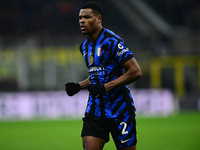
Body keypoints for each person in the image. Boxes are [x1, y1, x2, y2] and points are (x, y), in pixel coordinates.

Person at [65, 1, 142, 150]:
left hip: (120, 109)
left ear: (98, 19)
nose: (82, 21)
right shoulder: (84, 46)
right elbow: (98, 74)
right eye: (80, 18)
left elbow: (135, 71)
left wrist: (106, 87)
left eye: (87, 17)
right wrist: (79, 86)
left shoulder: (112, 41)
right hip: (95, 109)